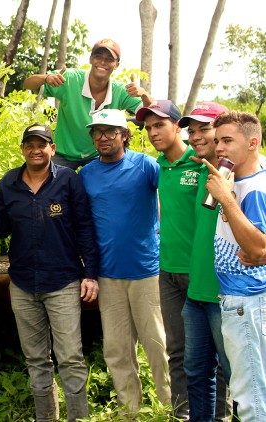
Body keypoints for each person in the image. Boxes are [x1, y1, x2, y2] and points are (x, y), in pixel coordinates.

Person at [0, 125, 99, 422]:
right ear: (23, 148)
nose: (36, 149)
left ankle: (79, 418)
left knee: (71, 357)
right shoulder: (9, 183)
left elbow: (85, 227)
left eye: (42, 144)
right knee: (36, 358)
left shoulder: (69, 181)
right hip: (22, 282)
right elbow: (0, 229)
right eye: (30, 144)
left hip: (62, 280)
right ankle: (45, 418)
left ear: (52, 148)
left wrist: (90, 273)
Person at [79, 109, 171, 414]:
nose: (103, 137)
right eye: (97, 132)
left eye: (110, 131)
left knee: (158, 345)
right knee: (117, 349)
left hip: (147, 271)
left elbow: (172, 194)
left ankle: (170, 408)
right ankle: (129, 411)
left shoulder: (145, 165)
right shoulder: (87, 174)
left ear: (124, 135)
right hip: (108, 274)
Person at [204, 111, 266, 421]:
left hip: (247, 302)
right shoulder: (245, 177)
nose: (219, 148)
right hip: (246, 301)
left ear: (253, 142)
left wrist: (227, 201)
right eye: (217, 141)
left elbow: (258, 248)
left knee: (250, 397)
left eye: (228, 140)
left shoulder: (253, 189)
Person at [135, 100, 195, 420]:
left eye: (160, 125)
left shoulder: (199, 161)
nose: (153, 132)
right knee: (176, 349)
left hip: (200, 271)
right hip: (166, 270)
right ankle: (182, 413)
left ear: (177, 126)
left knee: (210, 351)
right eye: (148, 128)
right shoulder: (158, 166)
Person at [177, 102, 232, 422]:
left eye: (204, 129)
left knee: (237, 375)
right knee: (197, 374)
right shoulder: (200, 172)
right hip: (196, 293)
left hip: (225, 296)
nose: (195, 136)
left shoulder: (239, 175)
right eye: (192, 130)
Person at [23, 38, 153, 169]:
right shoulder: (69, 79)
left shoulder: (120, 91)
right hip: (63, 155)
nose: (103, 62)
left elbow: (151, 113)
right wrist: (46, 78)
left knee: (104, 186)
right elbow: (28, 84)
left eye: (109, 59)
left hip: (98, 156)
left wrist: (144, 95)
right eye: (98, 56)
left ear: (116, 65)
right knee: (52, 186)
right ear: (91, 59)